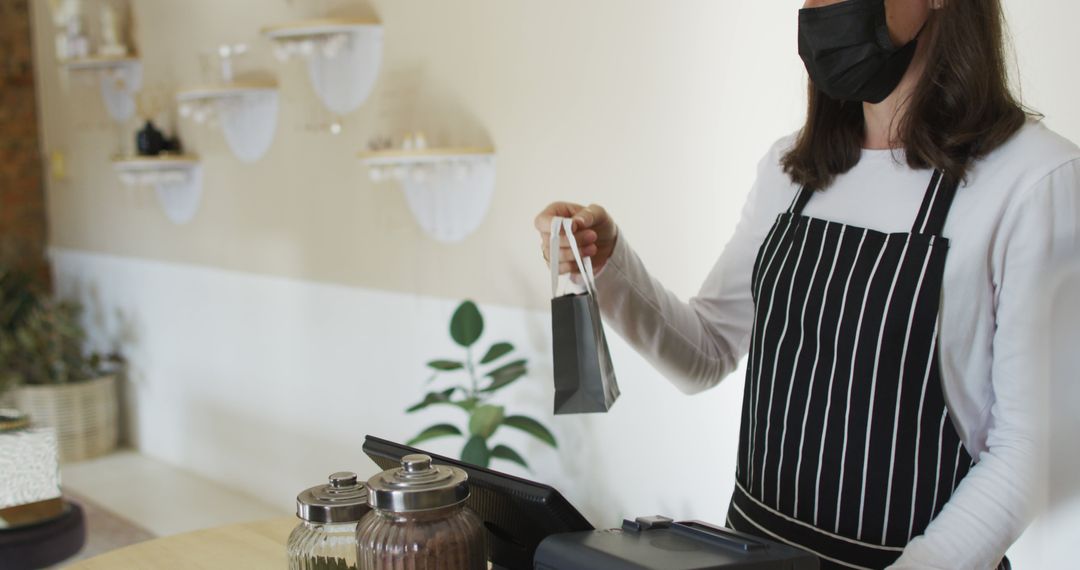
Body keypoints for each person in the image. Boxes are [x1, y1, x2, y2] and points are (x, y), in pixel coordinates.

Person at [535, 0, 1080, 568]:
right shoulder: (790, 170)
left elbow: (1025, 452)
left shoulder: (1035, 181)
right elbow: (706, 352)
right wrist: (606, 261)